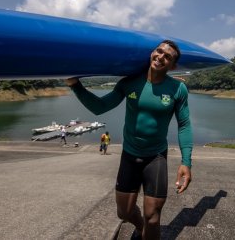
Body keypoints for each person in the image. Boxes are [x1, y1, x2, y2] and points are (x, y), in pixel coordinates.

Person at [66, 39, 193, 240]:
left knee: (153, 217)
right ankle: (140, 226)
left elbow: (184, 125)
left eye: (167, 56)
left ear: (173, 65)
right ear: (152, 53)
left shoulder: (178, 89)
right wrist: (75, 85)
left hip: (156, 157)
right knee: (124, 213)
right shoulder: (130, 82)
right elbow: (100, 107)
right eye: (158, 51)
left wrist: (186, 162)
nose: (160, 56)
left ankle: (147, 229)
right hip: (130, 155)